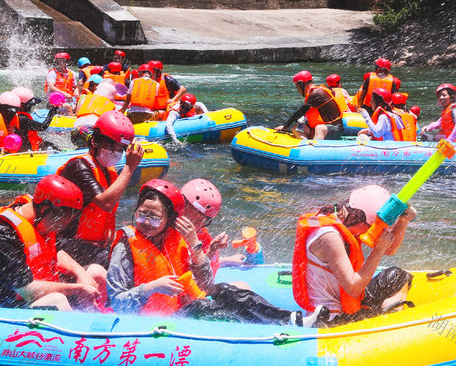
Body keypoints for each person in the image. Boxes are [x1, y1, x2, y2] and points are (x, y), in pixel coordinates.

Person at [108, 181, 324, 326]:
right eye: (142, 215)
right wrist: (149, 288)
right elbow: (117, 303)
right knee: (205, 307)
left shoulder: (174, 238)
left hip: (181, 307)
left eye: (154, 218)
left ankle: (292, 320)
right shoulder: (126, 246)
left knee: (227, 291)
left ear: (169, 220)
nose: (146, 223)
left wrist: (195, 245)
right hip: (148, 323)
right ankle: (258, 337)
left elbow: (205, 283)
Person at [0, 174, 107, 311]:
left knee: (96, 272)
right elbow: (26, 290)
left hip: (35, 294)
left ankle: (100, 320)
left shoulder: (41, 220)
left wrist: (80, 273)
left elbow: (55, 251)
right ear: (45, 209)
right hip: (5, 307)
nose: (60, 229)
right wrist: (77, 289)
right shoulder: (1, 234)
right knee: (57, 300)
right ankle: (78, 332)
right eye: (59, 223)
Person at [293, 185, 415, 324]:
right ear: (363, 218)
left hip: (346, 304)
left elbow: (390, 249)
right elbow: (353, 288)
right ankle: (388, 328)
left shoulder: (346, 218)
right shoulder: (329, 236)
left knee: (397, 276)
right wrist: (378, 250)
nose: (377, 233)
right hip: (330, 317)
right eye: (375, 228)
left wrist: (403, 221)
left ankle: (388, 320)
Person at [56, 111, 144, 267]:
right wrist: (130, 167)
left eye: (120, 149)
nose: (115, 152)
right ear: (95, 141)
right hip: (67, 243)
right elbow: (106, 203)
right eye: (111, 146)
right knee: (121, 263)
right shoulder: (79, 166)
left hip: (95, 244)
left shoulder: (109, 171)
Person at [277, 70, 344, 140]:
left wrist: (285, 125)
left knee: (319, 128)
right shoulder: (313, 93)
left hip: (335, 129)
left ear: (302, 84)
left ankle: (315, 148)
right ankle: (307, 144)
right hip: (325, 128)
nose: (298, 91)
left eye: (298, 87)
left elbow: (301, 111)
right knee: (296, 127)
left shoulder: (316, 93)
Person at [13, 86, 59, 152]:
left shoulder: (12, 115)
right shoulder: (22, 119)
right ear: (22, 105)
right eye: (30, 105)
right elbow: (42, 127)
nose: (31, 106)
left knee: (51, 145)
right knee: (54, 148)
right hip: (26, 151)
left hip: (19, 146)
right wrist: (51, 113)